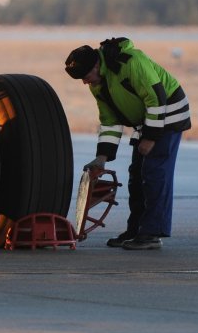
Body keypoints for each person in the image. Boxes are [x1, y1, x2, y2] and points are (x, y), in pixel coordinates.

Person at [65, 37, 191, 250]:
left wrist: (150, 138)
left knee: (154, 172)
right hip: (146, 121)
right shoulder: (98, 83)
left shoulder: (131, 62)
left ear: (96, 65)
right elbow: (110, 120)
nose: (85, 83)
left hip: (168, 113)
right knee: (136, 175)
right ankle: (136, 230)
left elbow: (156, 98)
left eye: (86, 77)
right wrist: (102, 157)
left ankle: (152, 233)